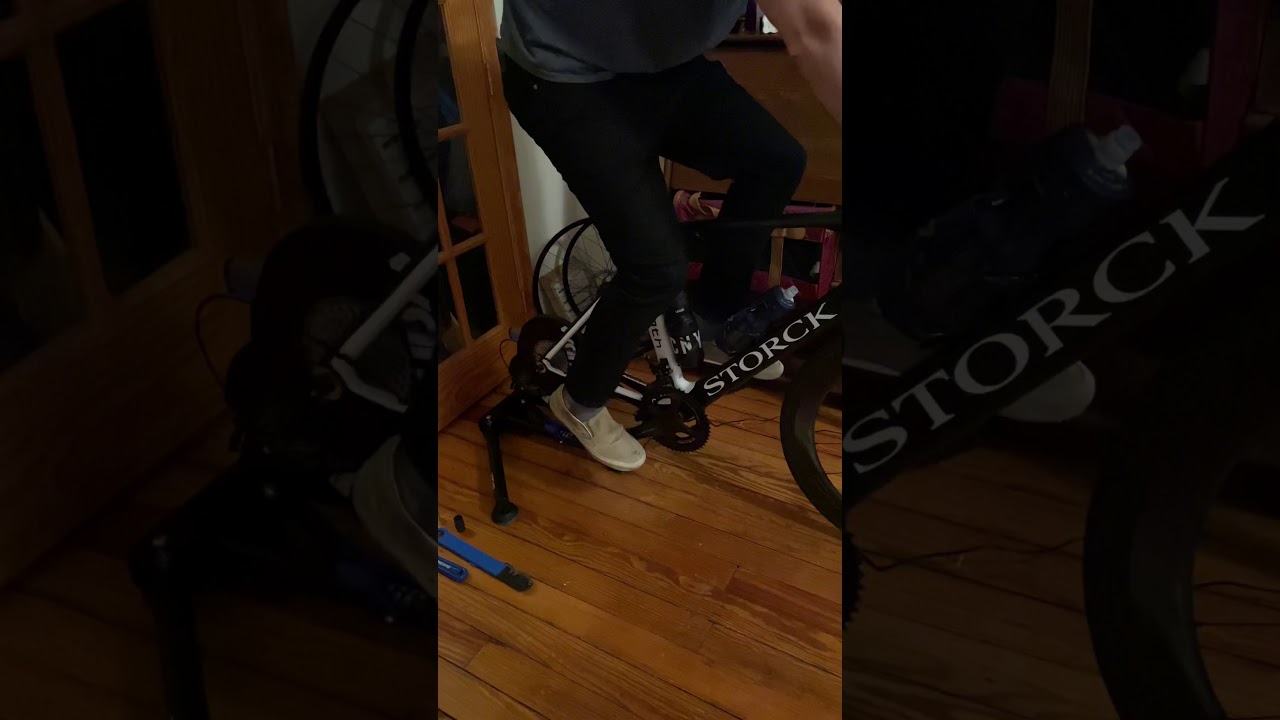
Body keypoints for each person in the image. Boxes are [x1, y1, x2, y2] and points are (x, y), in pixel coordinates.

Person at [499, 0, 843, 471]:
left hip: (661, 67)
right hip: (564, 77)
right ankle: (578, 402)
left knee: (778, 161)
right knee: (657, 268)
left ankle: (716, 322)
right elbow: (818, 25)